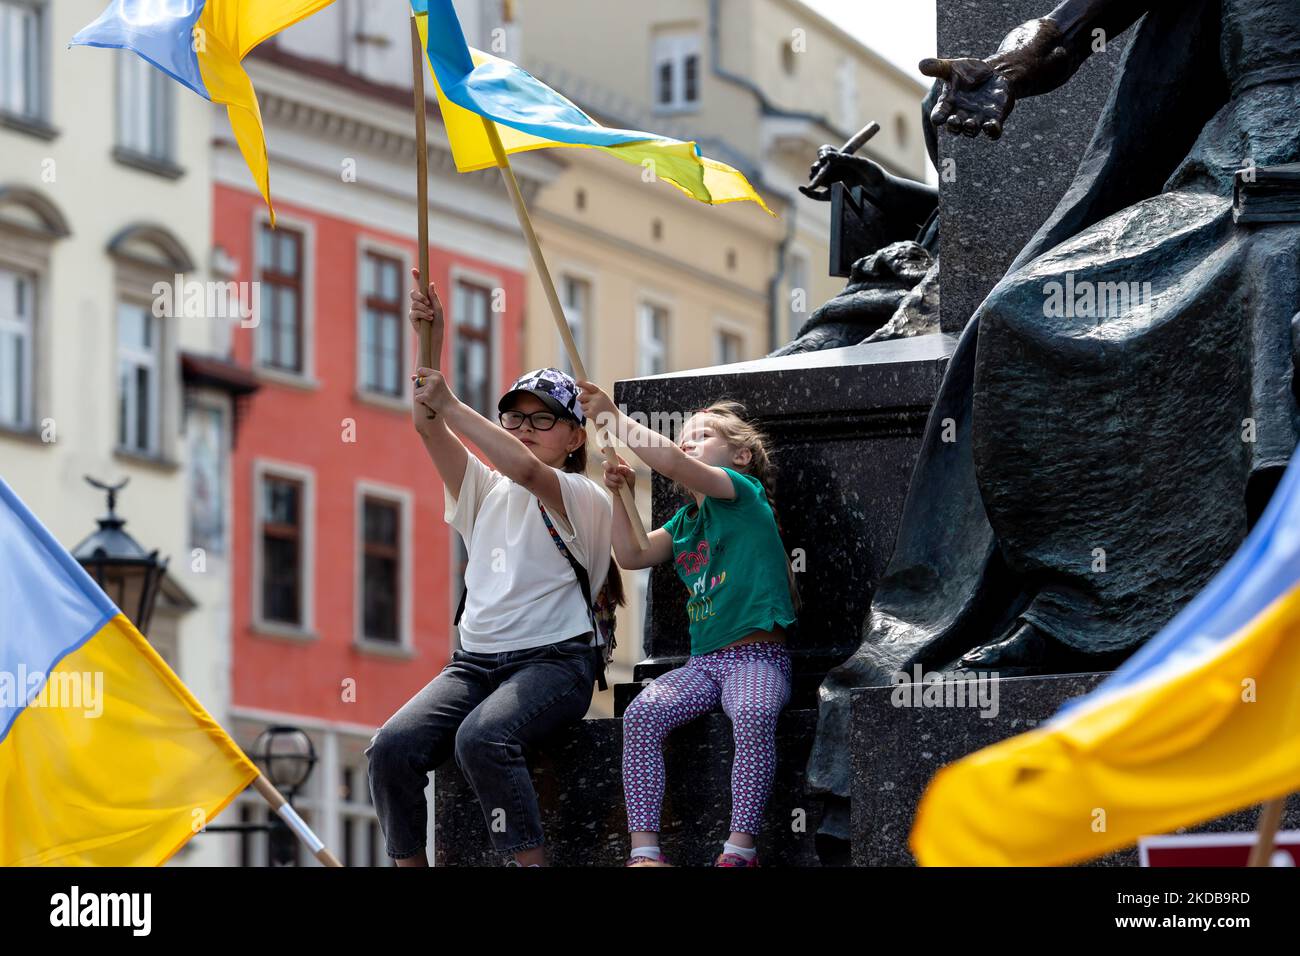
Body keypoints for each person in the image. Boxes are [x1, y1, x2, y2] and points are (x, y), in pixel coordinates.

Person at [366, 270, 617, 867]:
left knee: (483, 739)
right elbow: (428, 424)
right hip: (475, 664)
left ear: (575, 437)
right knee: (389, 749)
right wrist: (431, 341)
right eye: (515, 418)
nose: (524, 430)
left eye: (541, 420)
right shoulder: (484, 488)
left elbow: (528, 472)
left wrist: (453, 400)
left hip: (555, 663)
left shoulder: (583, 496)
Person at [580, 385, 798, 867]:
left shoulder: (743, 493)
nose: (685, 442)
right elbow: (632, 555)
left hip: (757, 656)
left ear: (741, 455)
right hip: (704, 665)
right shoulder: (684, 522)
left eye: (701, 434)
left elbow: (674, 466)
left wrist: (615, 419)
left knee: (753, 712)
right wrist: (617, 495)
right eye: (683, 436)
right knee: (640, 716)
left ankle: (741, 847)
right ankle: (645, 853)